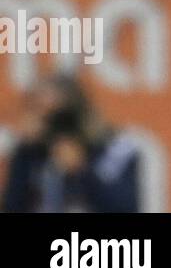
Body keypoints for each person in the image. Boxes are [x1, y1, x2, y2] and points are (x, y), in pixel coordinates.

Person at [2, 73, 140, 213]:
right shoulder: (31, 152)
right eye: (39, 111)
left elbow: (123, 206)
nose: (54, 126)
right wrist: (24, 153)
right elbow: (12, 206)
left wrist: (81, 170)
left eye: (59, 116)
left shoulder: (113, 149)